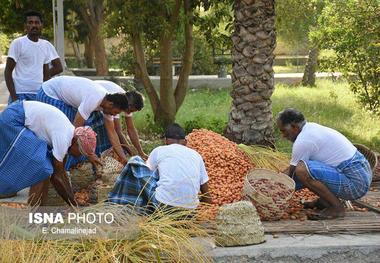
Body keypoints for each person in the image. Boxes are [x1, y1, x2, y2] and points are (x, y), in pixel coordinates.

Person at [276, 108, 372, 220]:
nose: (283, 135)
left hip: (356, 184)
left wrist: (272, 186)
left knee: (302, 170)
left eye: (283, 131)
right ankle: (325, 201)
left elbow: (292, 174)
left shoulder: (303, 141)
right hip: (361, 174)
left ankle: (337, 208)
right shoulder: (310, 127)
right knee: (304, 170)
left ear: (294, 127)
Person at [0, 100, 98, 206]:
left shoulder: (69, 134)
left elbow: (61, 172)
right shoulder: (64, 138)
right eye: (81, 152)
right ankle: (34, 212)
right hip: (14, 119)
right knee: (42, 167)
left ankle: (40, 209)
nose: (79, 156)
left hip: (18, 115)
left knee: (46, 168)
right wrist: (73, 204)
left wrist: (72, 198)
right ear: (76, 143)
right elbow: (57, 177)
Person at [36, 76, 138, 168]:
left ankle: (65, 165)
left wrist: (124, 158)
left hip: (59, 95)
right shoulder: (94, 98)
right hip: (49, 93)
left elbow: (112, 133)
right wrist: (89, 154)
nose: (113, 115)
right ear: (111, 104)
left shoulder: (106, 105)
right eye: (115, 112)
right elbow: (76, 129)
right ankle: (57, 168)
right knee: (67, 133)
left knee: (78, 137)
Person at [108, 123, 211, 212]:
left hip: (163, 207)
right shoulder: (197, 155)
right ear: (185, 142)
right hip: (189, 211)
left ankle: (123, 201)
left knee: (135, 161)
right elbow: (206, 194)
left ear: (166, 141)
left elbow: (147, 172)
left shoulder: (159, 150)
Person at [4, 10, 63, 103]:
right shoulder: (18, 43)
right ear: (25, 26)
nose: (34, 25)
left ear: (41, 25)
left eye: (37, 22)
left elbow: (55, 70)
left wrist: (41, 81)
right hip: (20, 93)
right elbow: (8, 71)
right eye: (30, 22)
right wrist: (14, 98)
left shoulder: (46, 45)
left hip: (39, 94)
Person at [95, 80, 148, 160]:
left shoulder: (127, 101)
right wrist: (132, 155)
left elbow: (131, 129)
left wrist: (141, 152)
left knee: (116, 141)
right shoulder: (117, 103)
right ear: (129, 105)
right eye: (130, 111)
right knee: (106, 130)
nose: (129, 113)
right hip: (94, 98)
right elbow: (117, 131)